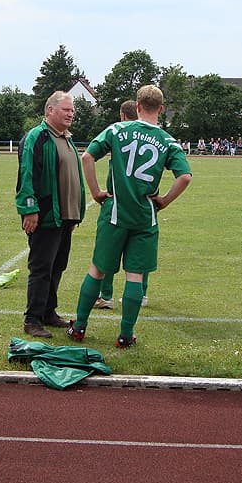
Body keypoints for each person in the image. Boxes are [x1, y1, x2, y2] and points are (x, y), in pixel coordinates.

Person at [68, 85, 192, 348]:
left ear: (137, 106)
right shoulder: (169, 141)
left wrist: (96, 192)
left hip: (114, 213)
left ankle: (79, 327)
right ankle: (125, 335)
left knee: (98, 270)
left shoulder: (116, 130)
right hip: (144, 217)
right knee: (135, 276)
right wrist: (165, 201)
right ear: (161, 109)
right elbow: (184, 176)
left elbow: (87, 157)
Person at [15, 91, 85, 338]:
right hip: (45, 215)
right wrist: (30, 210)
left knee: (58, 265)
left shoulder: (66, 138)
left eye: (72, 110)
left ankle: (48, 312)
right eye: (66, 109)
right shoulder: (37, 137)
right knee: (42, 267)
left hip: (65, 216)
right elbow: (27, 175)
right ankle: (32, 319)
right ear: (50, 111)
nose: (71, 114)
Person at [93, 99, 151, 310]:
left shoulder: (119, 133)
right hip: (144, 204)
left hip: (119, 203)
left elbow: (88, 156)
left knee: (110, 250)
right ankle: (142, 293)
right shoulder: (154, 137)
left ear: (124, 116)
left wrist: (96, 192)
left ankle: (106, 295)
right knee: (140, 254)